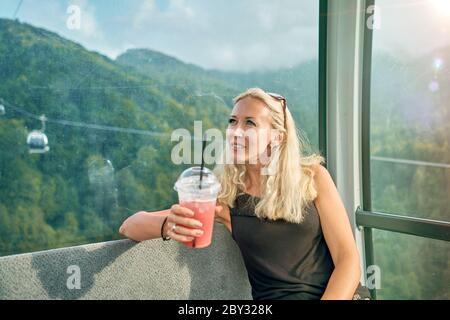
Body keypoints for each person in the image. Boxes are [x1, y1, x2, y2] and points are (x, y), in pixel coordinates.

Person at [119, 87, 361, 300]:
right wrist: (169, 224)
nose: (235, 131)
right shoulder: (226, 198)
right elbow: (130, 226)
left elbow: (348, 259)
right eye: (232, 121)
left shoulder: (312, 177)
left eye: (250, 123)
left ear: (277, 137)